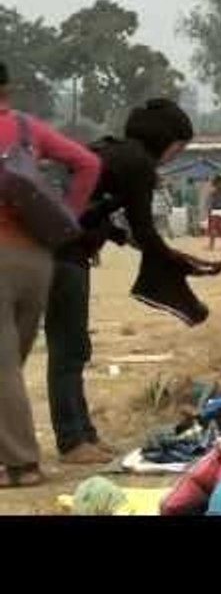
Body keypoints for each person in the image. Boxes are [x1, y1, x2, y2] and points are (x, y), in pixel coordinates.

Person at [46, 98, 221, 466]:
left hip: (57, 251)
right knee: (69, 349)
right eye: (179, 147)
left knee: (72, 348)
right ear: (167, 139)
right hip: (62, 256)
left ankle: (83, 435)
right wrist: (177, 260)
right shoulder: (138, 164)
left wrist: (134, 242)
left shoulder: (114, 153)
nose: (176, 155)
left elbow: (101, 216)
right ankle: (72, 440)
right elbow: (143, 226)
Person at [0, 61, 101, 488]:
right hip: (38, 259)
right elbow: (88, 164)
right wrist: (67, 216)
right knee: (10, 364)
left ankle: (22, 464)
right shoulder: (27, 128)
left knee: (2, 368)